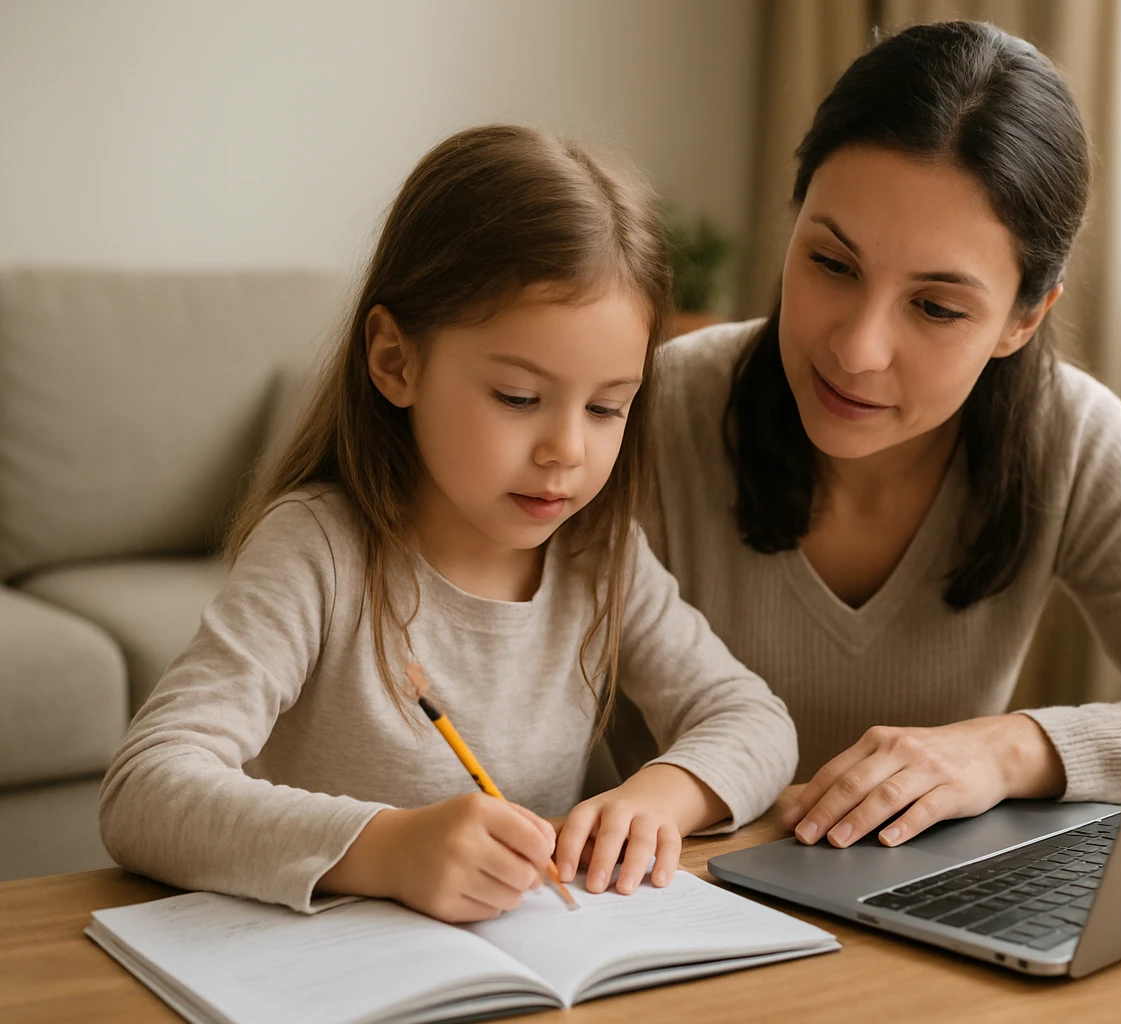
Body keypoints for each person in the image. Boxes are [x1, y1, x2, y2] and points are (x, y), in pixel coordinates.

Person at [99, 125, 796, 922]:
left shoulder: (601, 556)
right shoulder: (318, 551)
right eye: (518, 398)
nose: (566, 451)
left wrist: (662, 797)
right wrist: (389, 849)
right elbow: (145, 787)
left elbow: (753, 719)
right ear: (396, 361)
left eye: (608, 407)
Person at [614, 21, 1121, 853]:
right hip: (668, 905)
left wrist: (1011, 749)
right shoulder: (654, 410)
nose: (857, 349)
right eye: (831, 263)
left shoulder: (1072, 437)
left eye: (935, 306)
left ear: (1022, 319)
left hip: (922, 928)